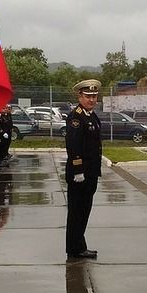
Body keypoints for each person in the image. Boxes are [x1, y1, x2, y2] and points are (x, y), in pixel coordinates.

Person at [65, 79, 102, 260]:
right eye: (88, 96)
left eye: (94, 96)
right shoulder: (76, 118)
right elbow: (74, 146)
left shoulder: (91, 116)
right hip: (80, 174)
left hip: (91, 173)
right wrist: (78, 171)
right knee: (77, 212)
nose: (92, 100)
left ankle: (79, 245)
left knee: (84, 211)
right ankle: (75, 248)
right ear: (80, 96)